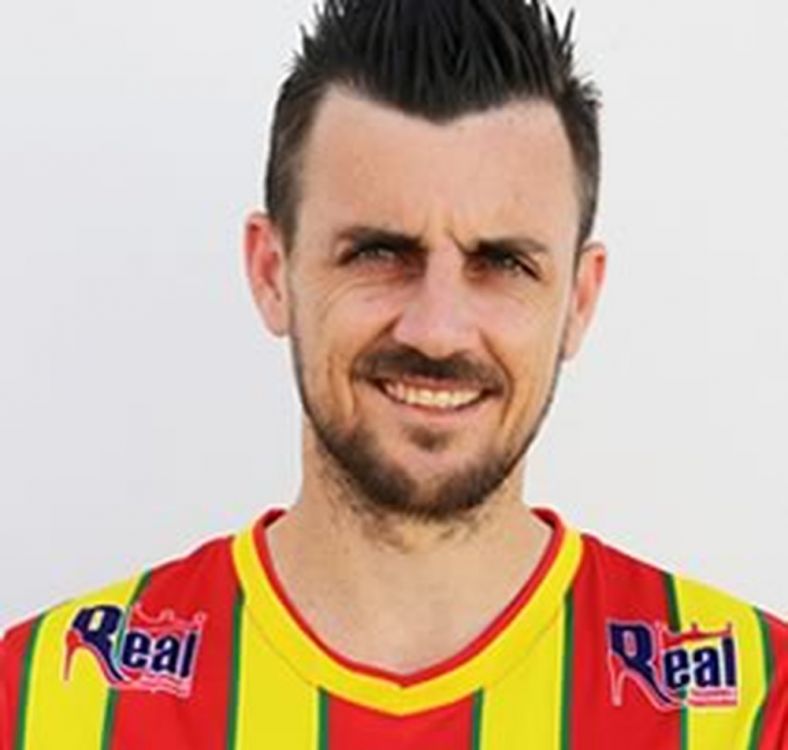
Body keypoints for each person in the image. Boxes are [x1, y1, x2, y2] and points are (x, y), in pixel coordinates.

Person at [1, 0, 785, 747]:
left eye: (502, 263)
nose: (437, 329)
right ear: (272, 272)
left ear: (579, 300)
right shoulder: (40, 704)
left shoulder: (758, 706)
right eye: (379, 253)